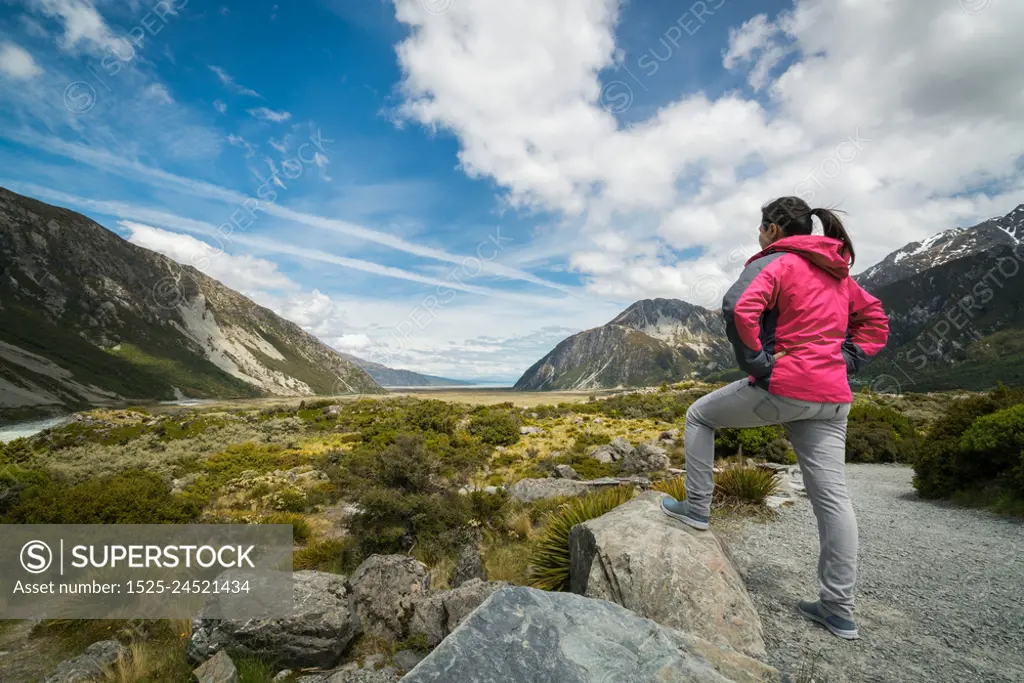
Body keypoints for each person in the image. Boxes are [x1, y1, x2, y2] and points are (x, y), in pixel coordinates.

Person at [660, 196, 889, 640]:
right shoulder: (838, 271)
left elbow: (738, 306)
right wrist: (849, 357)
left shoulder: (780, 261)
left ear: (774, 228)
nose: (759, 234)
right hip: (834, 397)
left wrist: (759, 364)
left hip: (786, 386)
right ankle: (838, 609)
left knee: (699, 417)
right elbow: (876, 319)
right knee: (833, 499)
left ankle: (697, 510)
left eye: (762, 226)